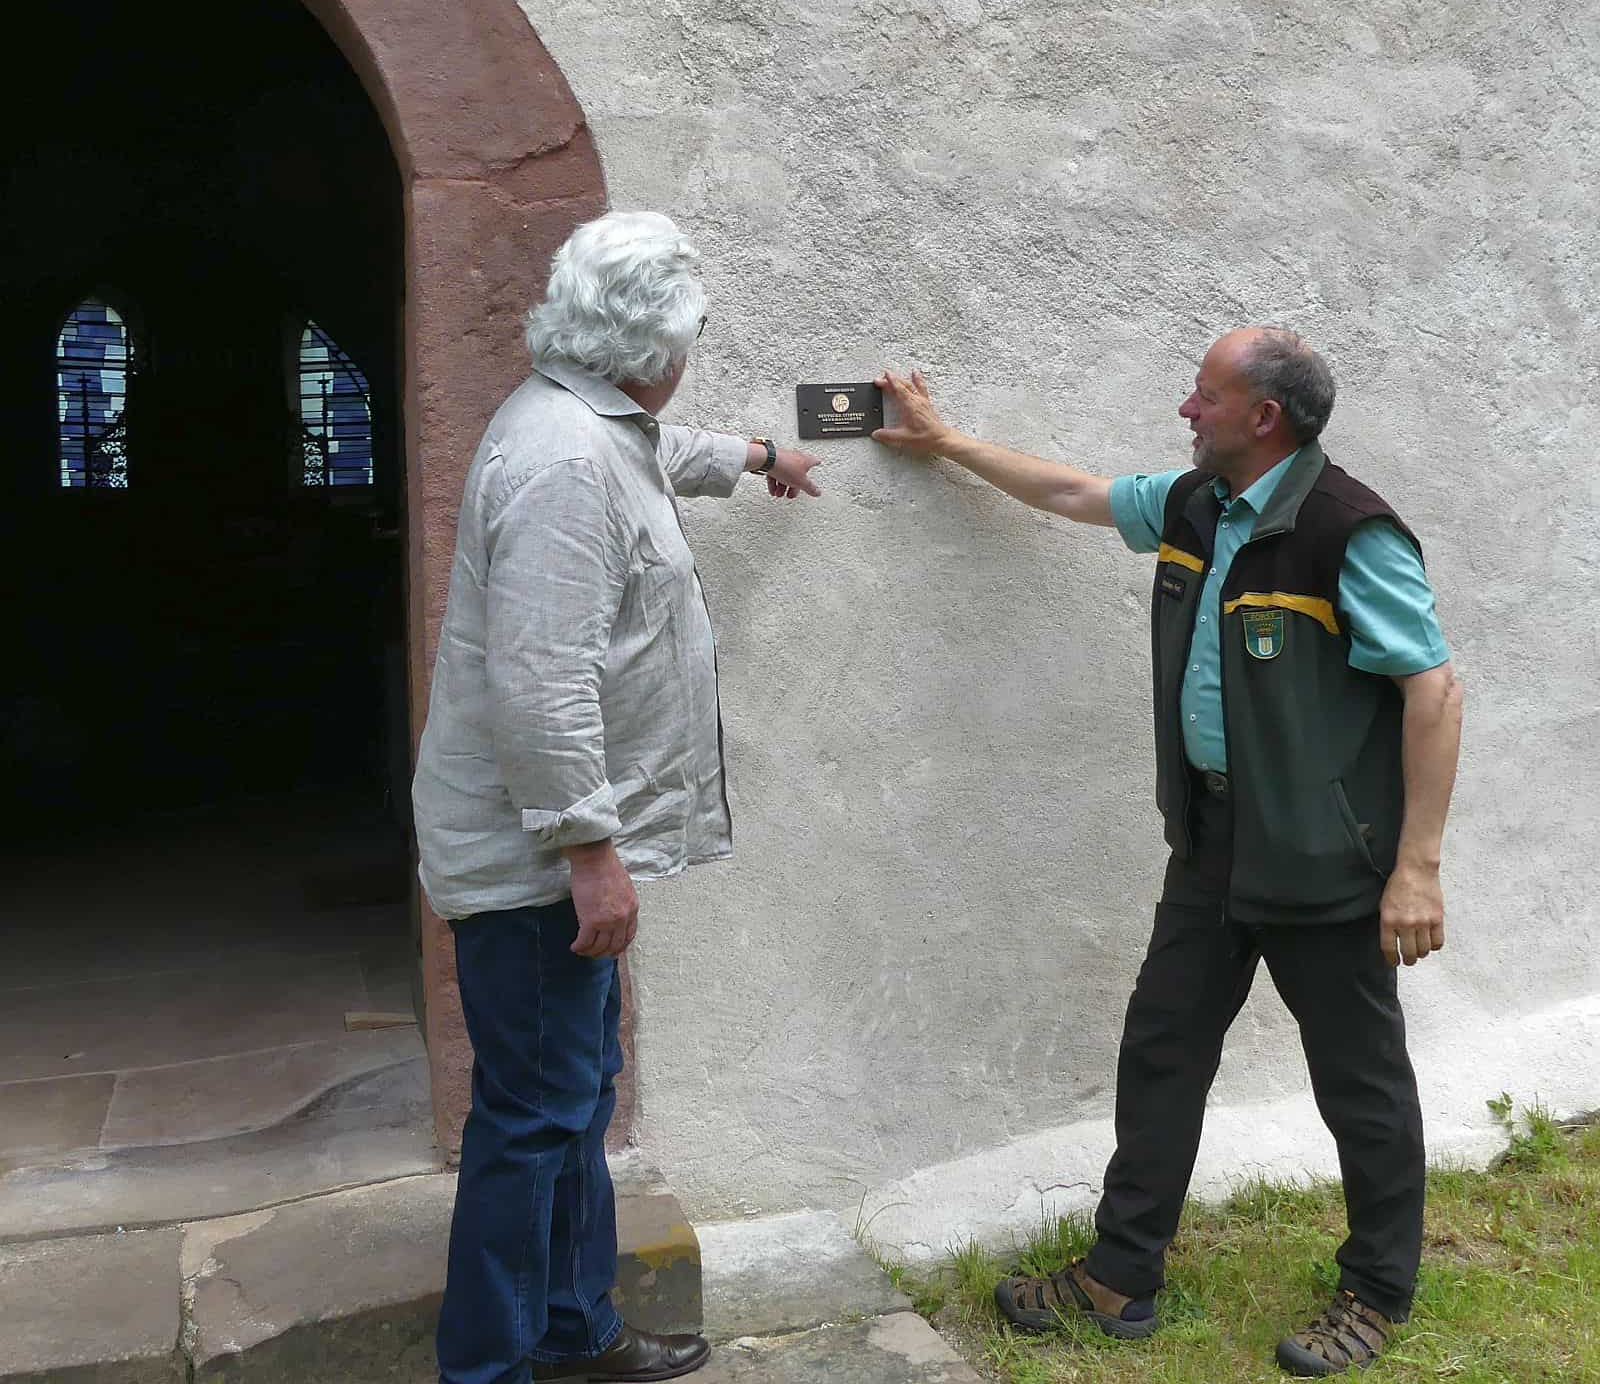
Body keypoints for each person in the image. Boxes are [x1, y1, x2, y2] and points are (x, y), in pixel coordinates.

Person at [872, 328, 1462, 1377]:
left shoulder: (1344, 531)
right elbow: (1073, 494)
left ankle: (1376, 1290)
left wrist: (1414, 867)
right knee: (1162, 1050)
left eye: (1204, 396)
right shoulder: (1196, 506)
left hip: (1322, 856)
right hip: (1210, 843)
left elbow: (1433, 690)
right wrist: (948, 440)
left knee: (1357, 1083)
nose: (1186, 410)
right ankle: (1119, 1274)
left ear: (1261, 417)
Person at [413, 209, 821, 1384]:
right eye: (686, 333)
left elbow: (658, 448)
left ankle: (573, 1329)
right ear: (645, 343)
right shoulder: (558, 461)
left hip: (557, 850)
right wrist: (591, 850)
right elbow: (540, 685)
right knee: (534, 1120)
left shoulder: (593, 422)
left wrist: (754, 457)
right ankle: (489, 1367)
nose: (688, 354)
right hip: (539, 857)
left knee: (571, 1099)